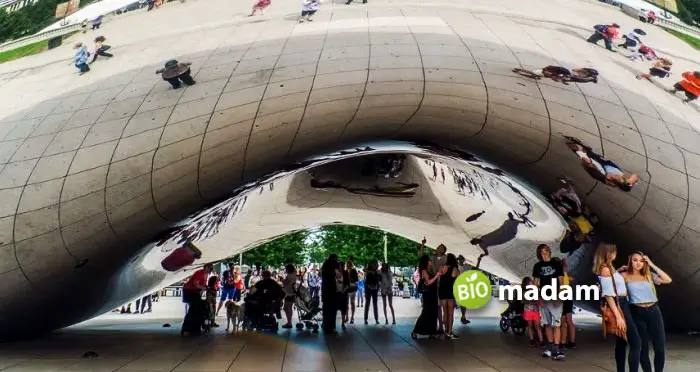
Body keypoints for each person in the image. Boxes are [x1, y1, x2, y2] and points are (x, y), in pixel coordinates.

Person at [620, 252, 672, 372]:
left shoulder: (649, 275)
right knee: (643, 348)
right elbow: (609, 280)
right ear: (630, 261)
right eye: (635, 260)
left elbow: (668, 279)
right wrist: (619, 269)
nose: (638, 263)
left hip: (654, 310)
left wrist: (652, 265)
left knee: (659, 346)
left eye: (641, 261)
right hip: (637, 311)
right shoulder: (624, 276)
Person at [594, 243, 641, 372]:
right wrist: (619, 316)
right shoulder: (605, 269)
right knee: (636, 342)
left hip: (622, 303)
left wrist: (618, 271)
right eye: (614, 252)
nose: (616, 254)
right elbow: (609, 295)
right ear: (608, 254)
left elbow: (613, 282)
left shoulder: (610, 268)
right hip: (620, 305)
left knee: (621, 343)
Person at [532, 244, 566, 361]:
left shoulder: (556, 264)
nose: (546, 252)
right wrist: (538, 299)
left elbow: (561, 282)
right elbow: (535, 284)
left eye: (547, 250)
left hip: (555, 297)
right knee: (546, 324)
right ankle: (550, 347)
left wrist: (560, 296)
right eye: (543, 251)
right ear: (539, 254)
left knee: (556, 324)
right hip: (544, 297)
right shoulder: (537, 266)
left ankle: (556, 349)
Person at [418, 237, 447, 333]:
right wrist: (423, 245)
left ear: (443, 251)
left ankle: (441, 327)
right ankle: (437, 327)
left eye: (441, 248)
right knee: (434, 307)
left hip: (441, 284)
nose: (439, 248)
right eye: (439, 247)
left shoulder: (445, 259)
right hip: (433, 284)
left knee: (440, 307)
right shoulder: (432, 257)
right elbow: (422, 256)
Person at [411, 255, 442, 339]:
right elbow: (428, 282)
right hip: (428, 294)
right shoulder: (424, 271)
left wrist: (437, 277)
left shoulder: (430, 270)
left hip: (433, 293)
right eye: (429, 260)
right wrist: (436, 276)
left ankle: (431, 332)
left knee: (433, 313)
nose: (431, 261)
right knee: (426, 313)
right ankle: (416, 330)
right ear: (426, 262)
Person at [181, 263, 213, 336]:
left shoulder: (206, 275)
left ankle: (197, 327)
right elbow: (195, 284)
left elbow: (203, 285)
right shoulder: (199, 273)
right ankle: (192, 328)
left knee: (200, 308)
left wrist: (206, 287)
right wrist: (203, 288)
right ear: (205, 267)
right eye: (209, 268)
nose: (210, 269)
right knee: (196, 309)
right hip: (189, 291)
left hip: (195, 293)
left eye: (211, 268)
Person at [438, 254, 460, 339]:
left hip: (442, 292)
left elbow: (439, 280)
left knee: (445, 312)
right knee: (451, 314)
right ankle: (450, 332)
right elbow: (458, 282)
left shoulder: (441, 268)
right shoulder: (455, 270)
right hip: (451, 293)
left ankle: (446, 330)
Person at [556, 258, 576, 350]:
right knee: (570, 321)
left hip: (562, 298)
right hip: (568, 297)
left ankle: (562, 343)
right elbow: (565, 269)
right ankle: (572, 342)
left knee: (562, 323)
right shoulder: (564, 273)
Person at [512, 66, 599, 84]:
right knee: (535, 73)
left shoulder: (569, 73)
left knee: (535, 74)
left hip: (555, 72)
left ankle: (519, 70)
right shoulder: (566, 72)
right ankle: (519, 70)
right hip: (553, 72)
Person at [522, 277, 544, 347]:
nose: (531, 283)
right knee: (532, 326)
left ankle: (539, 340)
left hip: (532, 310)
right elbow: (522, 301)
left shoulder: (534, 290)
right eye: (530, 282)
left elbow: (539, 299)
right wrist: (531, 301)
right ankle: (536, 340)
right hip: (530, 310)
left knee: (535, 326)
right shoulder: (525, 291)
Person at [321, 254, 340, 334]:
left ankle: (326, 326)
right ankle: (330, 327)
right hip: (331, 292)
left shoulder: (325, 268)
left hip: (326, 292)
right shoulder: (332, 270)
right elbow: (336, 279)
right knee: (331, 311)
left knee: (326, 310)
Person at [364, 260, 380, 325]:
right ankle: (366, 319)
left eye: (376, 264)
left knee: (373, 304)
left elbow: (378, 278)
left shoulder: (377, 271)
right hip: (369, 288)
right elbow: (364, 269)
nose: (375, 265)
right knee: (368, 303)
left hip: (374, 288)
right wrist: (370, 271)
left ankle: (376, 319)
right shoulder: (369, 270)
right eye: (374, 264)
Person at [282, 264, 297, 329]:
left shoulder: (289, 276)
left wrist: (282, 279)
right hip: (291, 293)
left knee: (287, 308)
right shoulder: (294, 275)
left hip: (289, 293)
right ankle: (289, 322)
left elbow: (285, 283)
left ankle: (289, 323)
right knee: (288, 308)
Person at [456, 255, 471, 325]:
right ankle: (463, 317)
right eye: (459, 259)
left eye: (461, 259)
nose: (460, 260)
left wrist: (478, 261)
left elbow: (475, 268)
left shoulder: (466, 266)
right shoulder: (456, 266)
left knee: (464, 304)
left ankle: (463, 317)